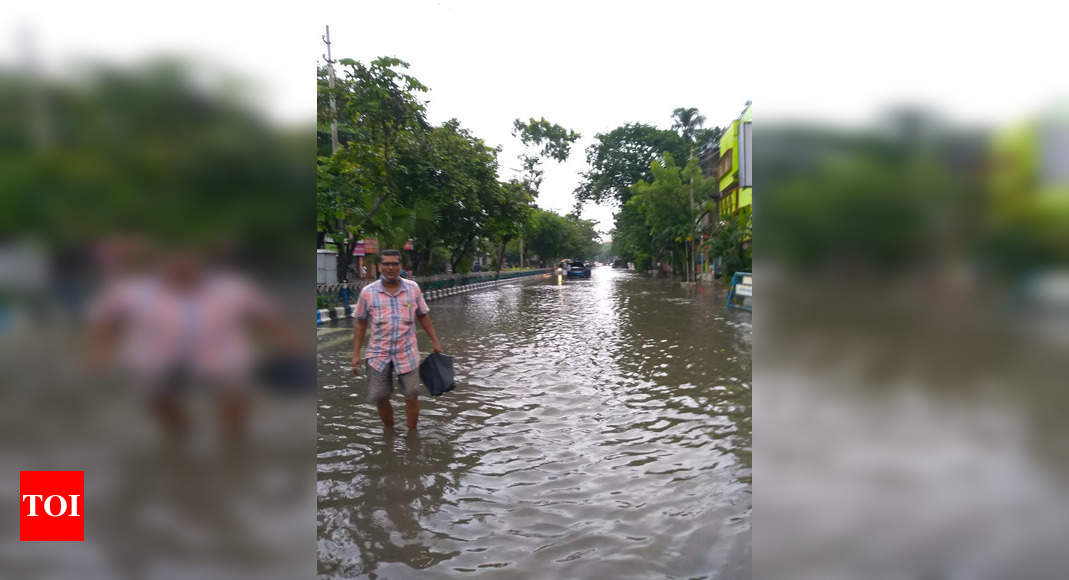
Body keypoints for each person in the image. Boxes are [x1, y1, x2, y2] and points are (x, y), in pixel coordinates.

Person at [352, 249, 442, 430]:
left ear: (400, 266)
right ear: (379, 266)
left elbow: (423, 316)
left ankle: (411, 436)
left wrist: (435, 341)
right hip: (378, 353)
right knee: (380, 397)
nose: (390, 267)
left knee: (412, 394)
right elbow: (361, 324)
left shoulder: (412, 288)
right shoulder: (368, 292)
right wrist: (355, 354)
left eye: (394, 263)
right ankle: (389, 433)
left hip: (406, 351)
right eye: (386, 263)